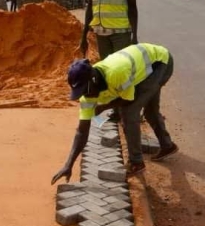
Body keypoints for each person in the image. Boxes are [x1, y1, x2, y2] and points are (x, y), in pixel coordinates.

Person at [51, 43, 178, 184]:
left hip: (159, 64)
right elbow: (82, 132)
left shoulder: (117, 74)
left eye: (84, 90)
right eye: (80, 92)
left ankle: (136, 162)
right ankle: (167, 146)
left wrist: (104, 107)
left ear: (93, 79)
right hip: (143, 68)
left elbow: (127, 100)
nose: (85, 95)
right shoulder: (87, 95)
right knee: (150, 111)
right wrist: (68, 165)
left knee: (129, 113)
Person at [79, 0, 138, 123]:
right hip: (101, 33)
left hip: (121, 32)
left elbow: (132, 7)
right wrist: (83, 36)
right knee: (108, 73)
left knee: (123, 71)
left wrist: (135, 36)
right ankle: (116, 111)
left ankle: (132, 109)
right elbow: (90, 8)